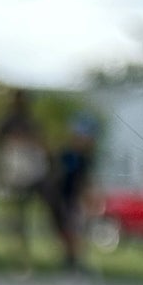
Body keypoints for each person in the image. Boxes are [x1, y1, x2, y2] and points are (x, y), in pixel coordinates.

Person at [0, 90, 51, 274]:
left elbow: (41, 144)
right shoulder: (6, 122)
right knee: (16, 217)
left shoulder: (31, 123)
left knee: (28, 214)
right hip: (14, 172)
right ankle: (20, 257)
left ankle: (28, 255)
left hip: (30, 173)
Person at [48, 116, 98, 270]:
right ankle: (70, 261)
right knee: (66, 230)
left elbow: (85, 181)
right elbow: (59, 175)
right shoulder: (68, 154)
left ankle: (73, 262)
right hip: (62, 196)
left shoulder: (85, 158)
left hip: (74, 198)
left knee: (75, 230)